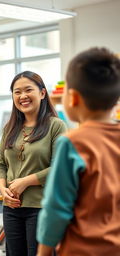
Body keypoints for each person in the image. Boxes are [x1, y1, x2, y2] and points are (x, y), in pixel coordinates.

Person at [37, 47, 120, 256]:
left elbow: (56, 208)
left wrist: (43, 252)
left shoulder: (72, 142)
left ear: (72, 98)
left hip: (83, 250)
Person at [0, 71, 67, 256]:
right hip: (11, 207)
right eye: (17, 92)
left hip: (42, 207)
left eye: (28, 90)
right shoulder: (10, 128)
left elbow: (61, 167)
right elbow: (0, 164)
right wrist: (3, 190)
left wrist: (25, 181)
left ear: (42, 93)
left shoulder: (56, 126)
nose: (22, 96)